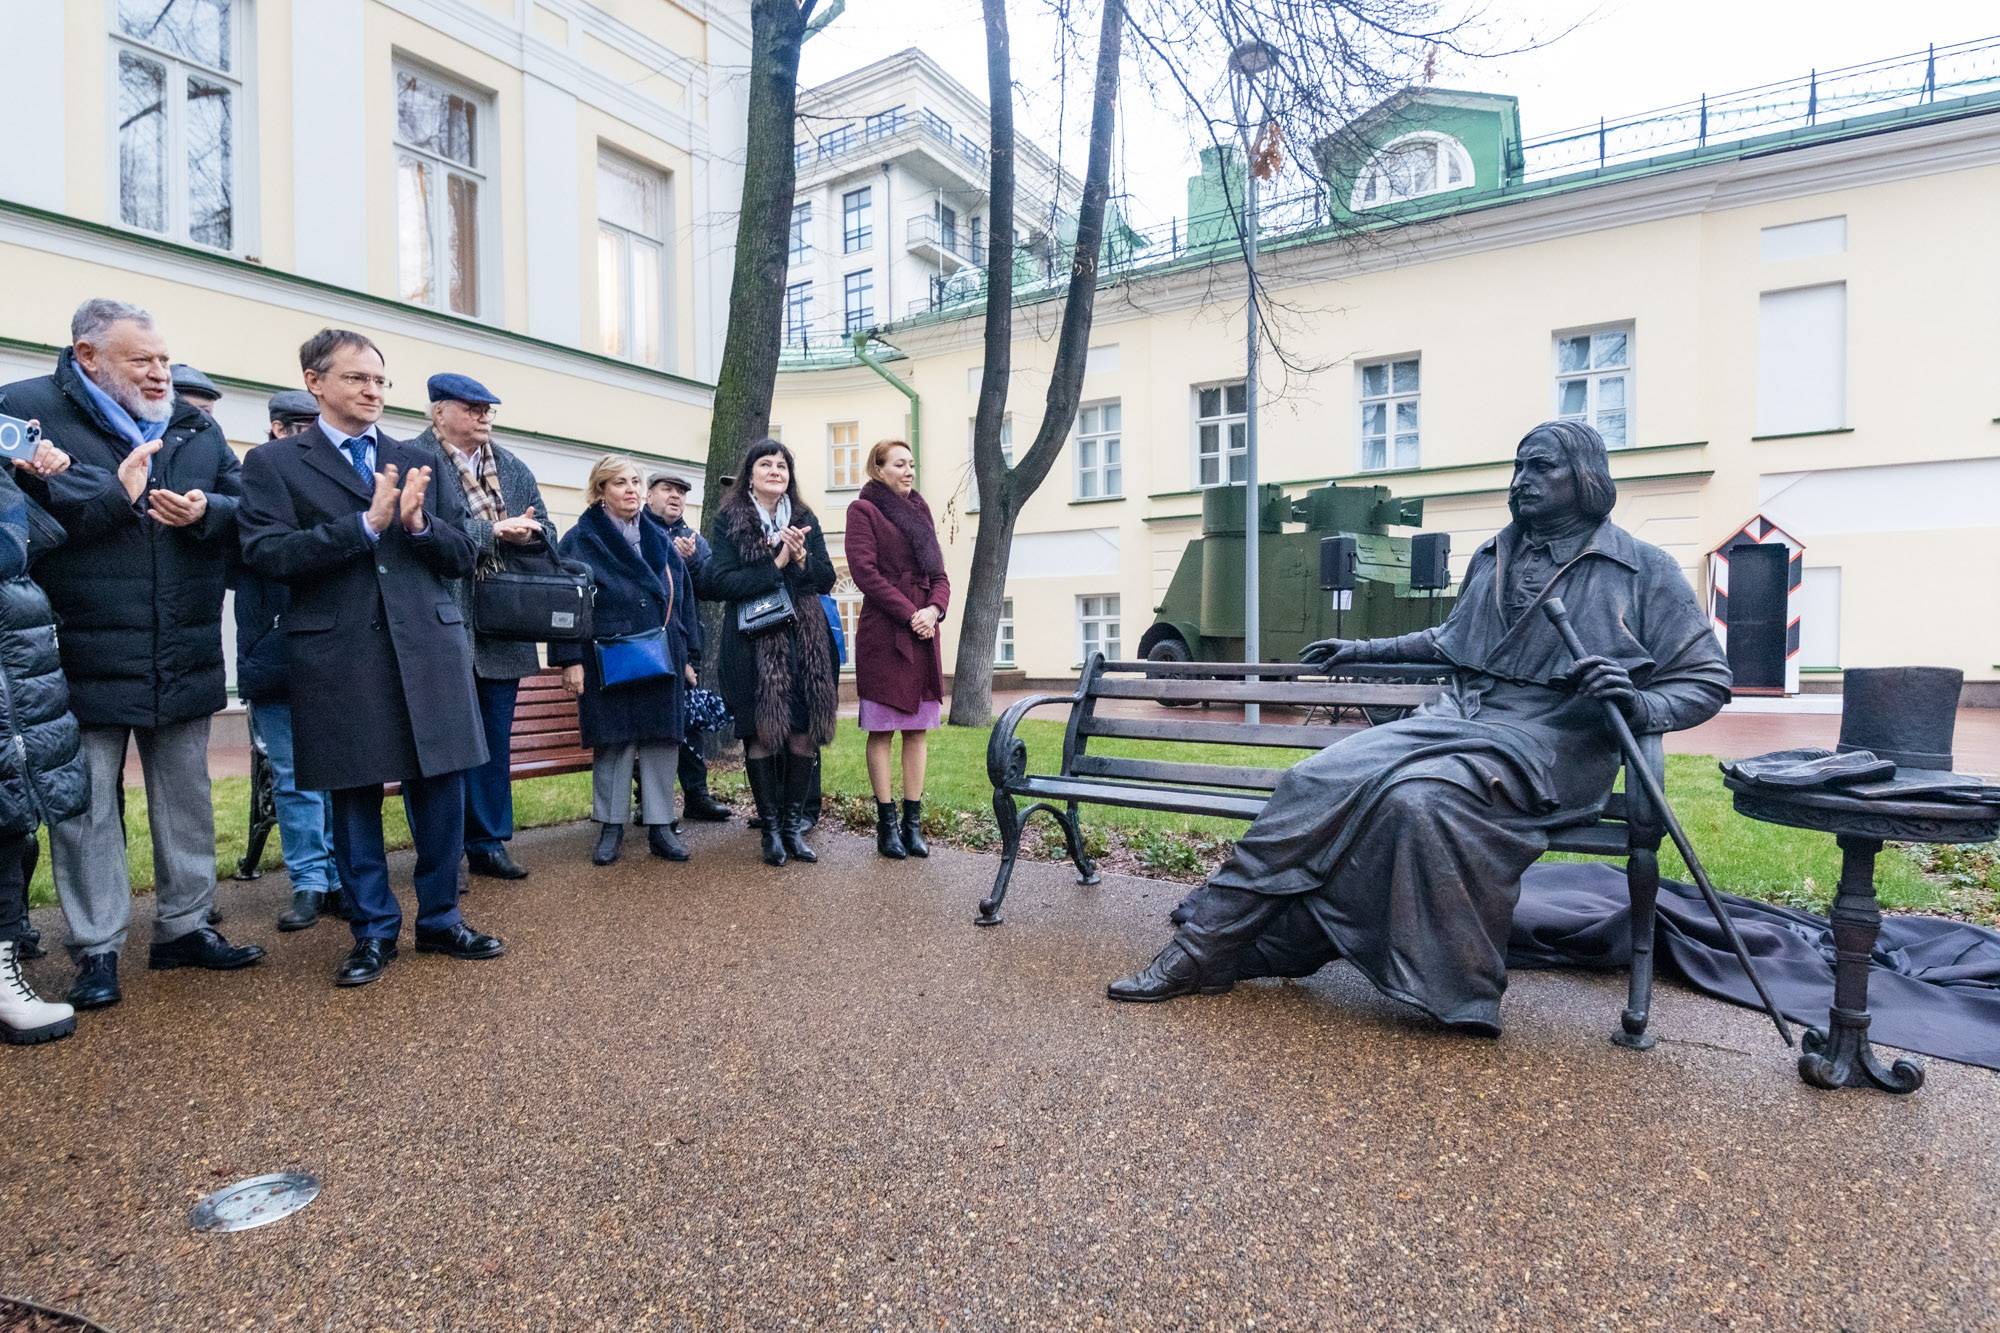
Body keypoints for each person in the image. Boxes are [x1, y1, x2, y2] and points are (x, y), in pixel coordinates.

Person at [1107, 421, 1732, 1038]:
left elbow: (1705, 680)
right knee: (1313, 778)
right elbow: (1451, 640)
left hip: (1550, 740)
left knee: (1416, 803)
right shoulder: (1495, 553)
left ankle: (1339, 956)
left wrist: (1637, 703)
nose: (1522, 481)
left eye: (1542, 467)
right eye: (1519, 467)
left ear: (1588, 477)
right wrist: (1363, 651)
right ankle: (1208, 944)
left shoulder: (1642, 569)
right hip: (1458, 717)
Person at [1, 297, 265, 1011]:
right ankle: (97, 947)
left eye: (163, 359)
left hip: (182, 646)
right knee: (85, 808)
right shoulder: (25, 412)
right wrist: (112, 498)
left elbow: (247, 511)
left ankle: (186, 926)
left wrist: (207, 511)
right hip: (76, 649)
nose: (159, 373)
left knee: (187, 798)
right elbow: (21, 526)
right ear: (88, 357)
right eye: (140, 360)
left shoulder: (192, 423)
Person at [238, 328, 504, 989]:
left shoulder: (416, 458)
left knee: (441, 789)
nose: (372, 391)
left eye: (381, 380)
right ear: (315, 382)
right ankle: (373, 930)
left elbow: (462, 554)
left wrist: (417, 525)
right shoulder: (274, 464)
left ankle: (441, 918)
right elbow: (268, 554)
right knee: (354, 796)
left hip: (428, 648)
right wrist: (363, 527)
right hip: (341, 653)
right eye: (357, 378)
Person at [410, 373, 557, 882]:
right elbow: (418, 534)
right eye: (471, 408)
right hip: (437, 625)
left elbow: (549, 532)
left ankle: (488, 843)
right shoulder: (414, 459)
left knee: (493, 744)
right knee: (439, 748)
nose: (483, 417)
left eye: (487, 410)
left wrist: (529, 533)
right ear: (439, 412)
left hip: (502, 627)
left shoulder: (511, 466)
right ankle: (441, 853)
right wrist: (491, 530)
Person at [696, 440, 837, 867]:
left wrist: (801, 559)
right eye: (766, 464)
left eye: (782, 465)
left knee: (802, 731)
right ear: (750, 474)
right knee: (760, 732)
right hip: (751, 643)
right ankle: (771, 831)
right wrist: (775, 563)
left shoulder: (804, 517)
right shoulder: (730, 520)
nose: (775, 470)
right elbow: (717, 582)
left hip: (804, 642)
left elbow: (826, 579)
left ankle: (793, 827)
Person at [550, 458, 698, 865]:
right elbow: (564, 605)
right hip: (606, 653)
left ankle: (661, 825)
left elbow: (682, 598)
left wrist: (690, 654)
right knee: (613, 741)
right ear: (600, 491)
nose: (631, 489)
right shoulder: (579, 540)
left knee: (662, 740)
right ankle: (611, 826)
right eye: (619, 482)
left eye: (635, 481)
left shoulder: (658, 537)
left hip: (662, 651)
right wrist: (569, 660)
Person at [235, 390, 345, 931]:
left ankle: (339, 877)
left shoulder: (338, 475)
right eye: (301, 425)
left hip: (334, 651)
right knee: (294, 776)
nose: (311, 434)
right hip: (274, 652)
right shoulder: (255, 479)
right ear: (278, 428)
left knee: (341, 774)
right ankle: (308, 881)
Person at [0, 462, 91, 1044]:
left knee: (9, 823)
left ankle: (4, 980)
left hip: (17, 669)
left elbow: (43, 537)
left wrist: (28, 477)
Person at [844, 440, 950, 859]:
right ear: (879, 469)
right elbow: (864, 573)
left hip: (923, 631)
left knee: (917, 730)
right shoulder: (863, 510)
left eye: (912, 464)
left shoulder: (921, 510)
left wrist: (934, 610)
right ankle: (886, 825)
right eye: (900, 464)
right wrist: (910, 614)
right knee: (882, 729)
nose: (909, 471)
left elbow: (939, 574)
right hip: (885, 632)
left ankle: (912, 824)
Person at [644, 471, 732, 824]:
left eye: (681, 492)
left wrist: (693, 561)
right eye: (667, 489)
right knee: (650, 721)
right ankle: (648, 801)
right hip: (645, 643)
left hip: (686, 642)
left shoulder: (692, 539)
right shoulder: (638, 531)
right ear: (649, 495)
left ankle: (697, 795)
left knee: (690, 718)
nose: (675, 496)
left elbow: (712, 587)